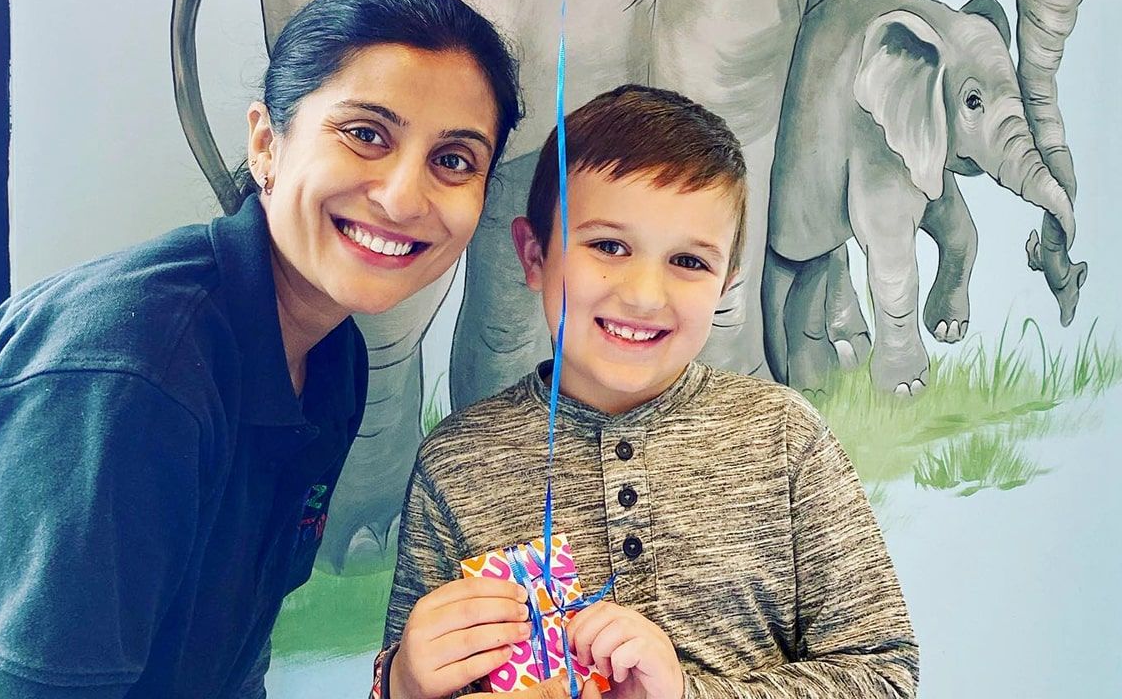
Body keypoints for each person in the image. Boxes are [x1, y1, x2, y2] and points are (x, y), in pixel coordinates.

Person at [0, 0, 524, 699]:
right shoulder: (133, 376)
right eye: (366, 134)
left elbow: (229, 652)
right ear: (265, 145)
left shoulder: (332, 355)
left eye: (454, 160)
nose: (404, 196)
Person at [376, 85, 919, 699]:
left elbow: (885, 674)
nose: (643, 295)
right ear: (534, 253)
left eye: (689, 262)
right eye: (609, 246)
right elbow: (418, 678)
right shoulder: (456, 464)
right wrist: (403, 683)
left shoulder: (785, 438)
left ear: (726, 285)